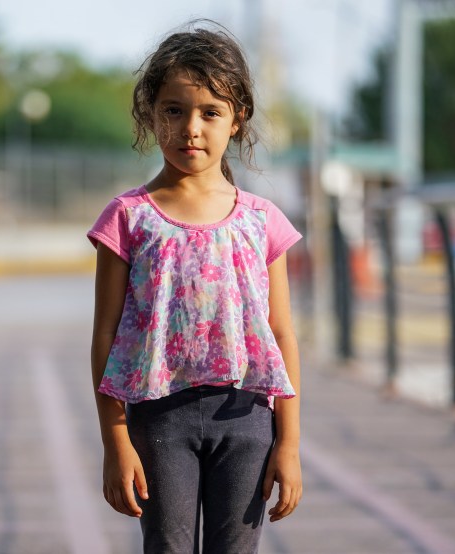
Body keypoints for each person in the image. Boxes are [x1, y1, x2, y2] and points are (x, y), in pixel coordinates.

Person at [88, 21, 303, 554]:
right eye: (173, 110)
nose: (191, 128)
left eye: (211, 112)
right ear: (150, 116)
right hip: (159, 419)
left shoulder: (261, 221)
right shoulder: (128, 218)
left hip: (247, 419)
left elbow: (281, 332)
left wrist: (290, 444)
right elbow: (105, 337)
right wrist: (116, 440)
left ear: (238, 120)